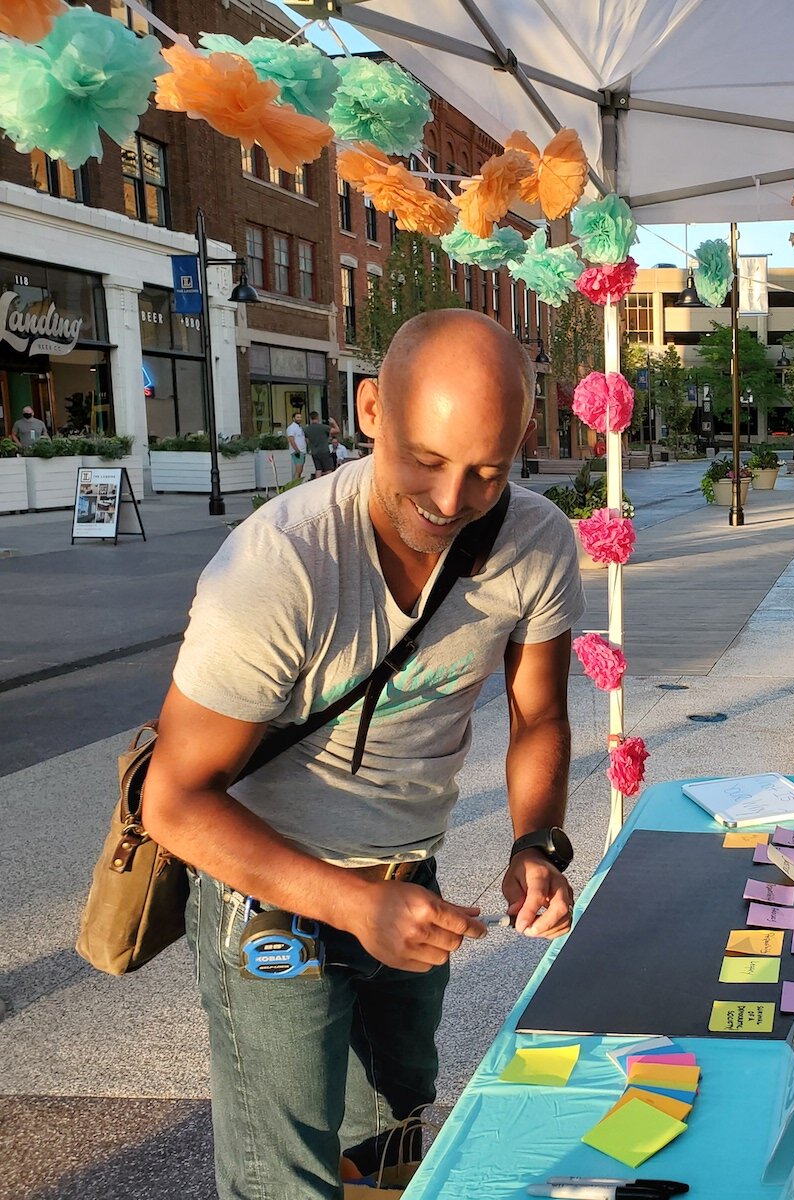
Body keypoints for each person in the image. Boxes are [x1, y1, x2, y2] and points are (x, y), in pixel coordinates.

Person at [143, 309, 585, 1200]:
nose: (453, 500)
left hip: (406, 878)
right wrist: (350, 904)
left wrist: (535, 843)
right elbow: (174, 799)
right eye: (426, 459)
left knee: (393, 1140)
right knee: (288, 1178)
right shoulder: (279, 564)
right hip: (265, 893)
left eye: (487, 472)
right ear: (371, 408)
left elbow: (538, 715)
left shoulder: (537, 544)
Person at [305, 408, 336, 477]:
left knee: (318, 469)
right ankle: (329, 484)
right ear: (318, 417)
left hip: (314, 452)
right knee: (328, 469)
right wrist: (334, 423)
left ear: (311, 418)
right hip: (324, 450)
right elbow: (337, 431)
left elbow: (306, 440)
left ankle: (317, 485)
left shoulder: (307, 429)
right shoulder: (323, 427)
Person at [286, 406, 307, 480]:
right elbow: (291, 439)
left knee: (300, 470)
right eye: (297, 417)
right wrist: (297, 450)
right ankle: (294, 486)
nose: (299, 419)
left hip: (303, 451)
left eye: (300, 417)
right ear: (293, 418)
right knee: (298, 470)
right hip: (297, 452)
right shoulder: (291, 428)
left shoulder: (300, 428)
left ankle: (298, 485)